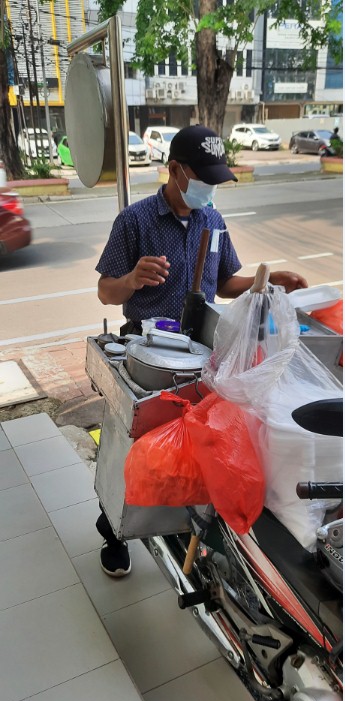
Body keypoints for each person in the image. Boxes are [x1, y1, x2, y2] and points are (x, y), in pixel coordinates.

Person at [95, 124, 308, 577]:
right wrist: (131, 279)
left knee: (189, 450)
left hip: (202, 356)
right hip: (146, 354)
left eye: (216, 180)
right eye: (204, 178)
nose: (210, 189)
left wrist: (265, 284)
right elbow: (105, 292)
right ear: (174, 170)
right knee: (135, 444)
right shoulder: (134, 221)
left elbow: (225, 283)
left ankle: (171, 519)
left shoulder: (213, 220)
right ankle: (113, 526)